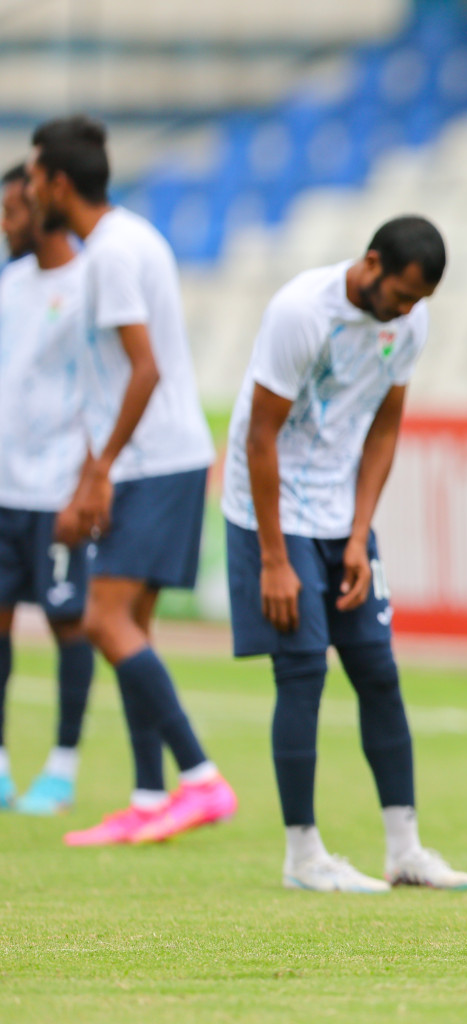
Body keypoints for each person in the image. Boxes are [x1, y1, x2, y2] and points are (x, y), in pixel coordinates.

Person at [222, 216, 467, 893]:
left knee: (377, 670)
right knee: (302, 669)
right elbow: (259, 438)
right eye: (400, 295)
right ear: (370, 263)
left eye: (419, 301)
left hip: (340, 514)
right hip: (269, 511)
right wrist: (274, 558)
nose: (405, 311)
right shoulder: (301, 314)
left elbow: (386, 427)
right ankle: (302, 856)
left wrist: (361, 533)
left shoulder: (407, 324)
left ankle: (405, 851)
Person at [28, 116, 237, 846]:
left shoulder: (112, 255)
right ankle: (150, 797)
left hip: (153, 458)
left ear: (57, 182)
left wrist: (98, 470)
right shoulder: (130, 239)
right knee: (131, 624)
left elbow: (143, 368)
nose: (25, 191)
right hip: (161, 454)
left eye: (30, 177)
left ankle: (200, 777)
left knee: (100, 620)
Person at [0, 163, 96, 815]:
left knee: (69, 625)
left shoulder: (89, 283)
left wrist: (89, 482)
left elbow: (106, 387)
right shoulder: (10, 285)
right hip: (5, 488)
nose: (6, 225)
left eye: (13, 212)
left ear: (42, 206)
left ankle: (62, 768)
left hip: (59, 486)